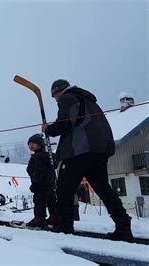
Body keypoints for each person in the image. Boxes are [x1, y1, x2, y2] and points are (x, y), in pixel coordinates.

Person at [43, 79, 133, 241]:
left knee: (64, 188)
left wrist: (49, 129)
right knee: (103, 188)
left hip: (80, 150)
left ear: (58, 91)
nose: (55, 99)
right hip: (100, 149)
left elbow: (65, 124)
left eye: (54, 96)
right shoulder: (88, 101)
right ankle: (123, 226)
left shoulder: (68, 98)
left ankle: (65, 225)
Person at [25, 134, 57, 229]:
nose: (31, 146)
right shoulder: (48, 156)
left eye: (34, 144)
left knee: (39, 201)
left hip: (40, 184)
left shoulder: (38, 157)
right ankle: (54, 217)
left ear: (40, 145)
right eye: (29, 144)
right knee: (51, 201)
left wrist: (35, 183)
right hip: (50, 184)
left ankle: (39, 219)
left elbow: (38, 171)